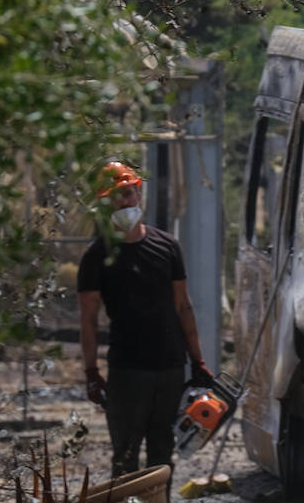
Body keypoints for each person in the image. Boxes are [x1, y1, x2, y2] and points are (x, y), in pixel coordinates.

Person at [78, 159, 214, 479]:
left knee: (162, 456)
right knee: (126, 456)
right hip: (127, 371)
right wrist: (91, 372)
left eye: (127, 193)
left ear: (138, 193)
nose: (123, 202)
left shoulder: (167, 247)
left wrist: (197, 361)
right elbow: (88, 319)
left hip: (169, 368)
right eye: (114, 197)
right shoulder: (97, 256)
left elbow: (183, 307)